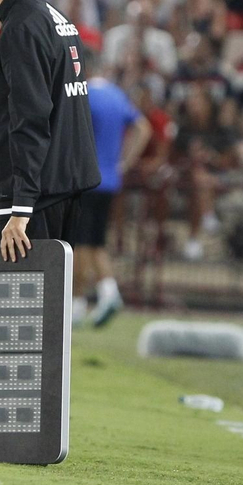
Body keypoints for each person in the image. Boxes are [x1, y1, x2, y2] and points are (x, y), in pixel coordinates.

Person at [0, 0, 100, 263]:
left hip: (36, 197)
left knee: (18, 313)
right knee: (50, 308)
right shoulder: (55, 17)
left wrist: (20, 209)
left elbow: (30, 118)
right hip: (64, 184)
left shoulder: (21, 26)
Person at [79, 61, 151, 328]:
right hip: (110, 179)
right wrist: (125, 162)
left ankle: (92, 298)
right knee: (96, 242)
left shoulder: (83, 93)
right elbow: (144, 128)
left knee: (81, 243)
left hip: (86, 180)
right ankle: (106, 292)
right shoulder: (117, 95)